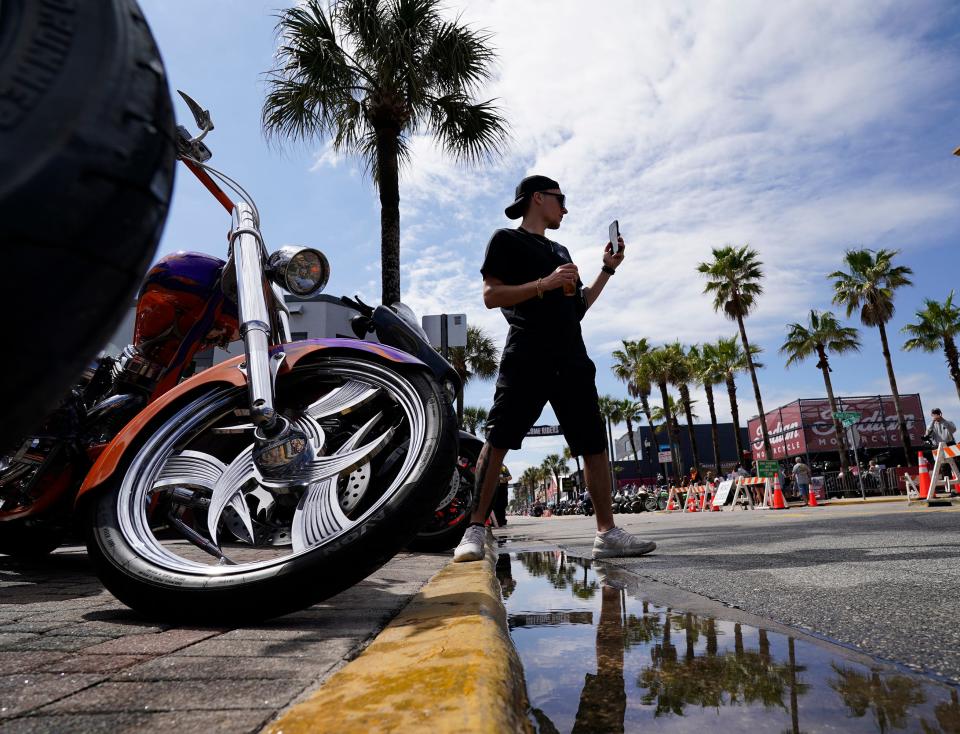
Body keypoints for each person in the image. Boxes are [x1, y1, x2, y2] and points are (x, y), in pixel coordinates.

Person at [453, 174, 656, 562]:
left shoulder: (562, 249)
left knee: (593, 443)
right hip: (527, 351)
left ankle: (607, 532)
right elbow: (491, 296)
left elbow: (578, 307)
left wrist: (606, 269)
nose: (565, 207)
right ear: (538, 198)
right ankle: (475, 530)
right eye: (561, 199)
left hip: (571, 356)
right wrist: (544, 283)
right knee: (498, 440)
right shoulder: (506, 240)